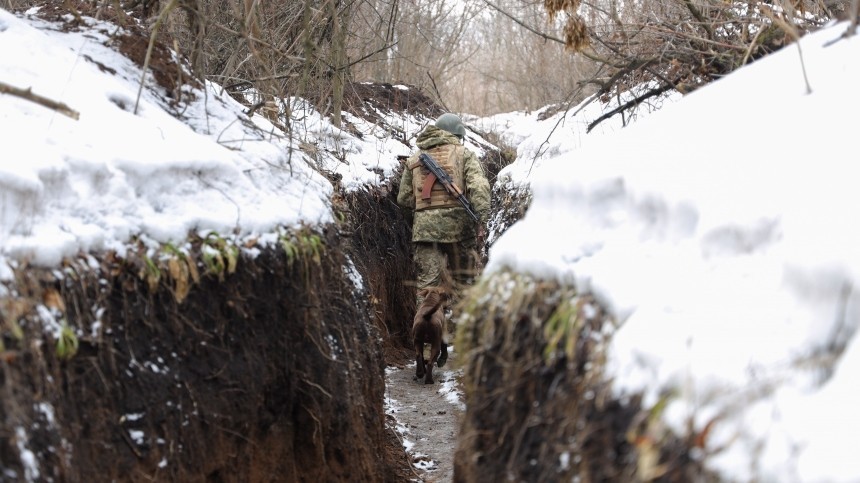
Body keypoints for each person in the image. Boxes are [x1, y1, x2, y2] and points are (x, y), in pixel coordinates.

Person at [397, 113, 491, 367]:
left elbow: (404, 200)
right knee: (463, 282)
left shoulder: (416, 158)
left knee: (427, 289)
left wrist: (421, 220)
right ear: (457, 134)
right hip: (460, 230)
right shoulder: (463, 153)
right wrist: (482, 219)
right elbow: (479, 187)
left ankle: (425, 349)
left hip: (425, 232)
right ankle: (459, 343)